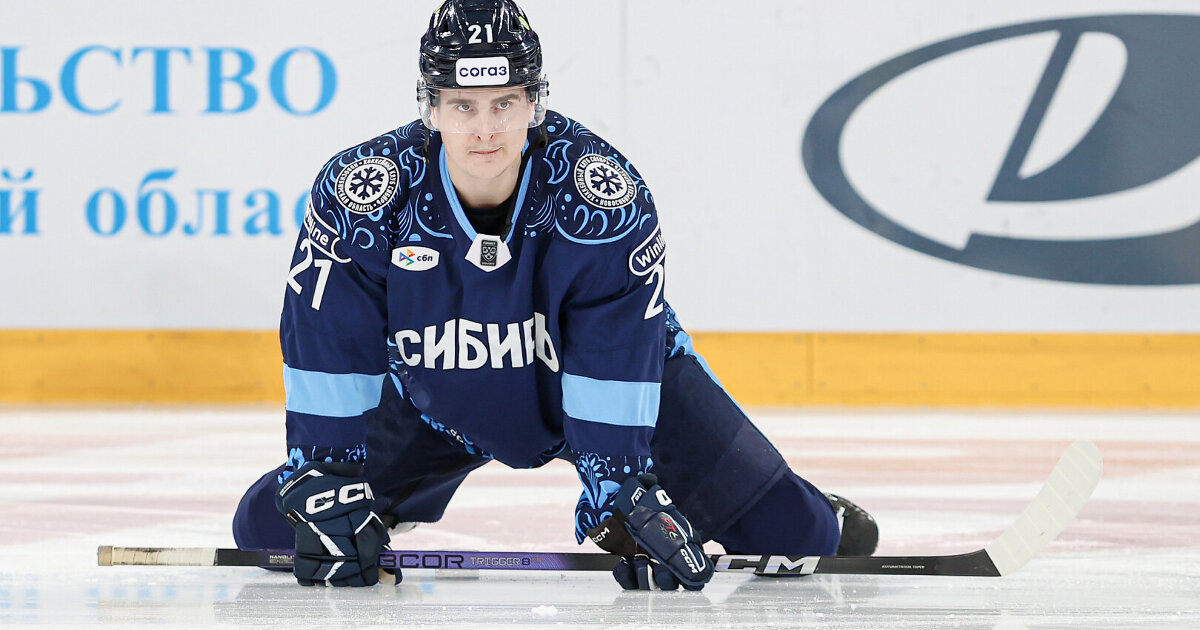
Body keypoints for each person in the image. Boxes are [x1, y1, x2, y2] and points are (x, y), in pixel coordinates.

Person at [232, 0, 877, 590]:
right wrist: (325, 478)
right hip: (433, 399)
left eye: (504, 103)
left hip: (590, 389)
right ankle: (379, 508)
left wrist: (620, 485)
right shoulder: (363, 194)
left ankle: (816, 511)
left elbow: (617, 348)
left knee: (800, 539)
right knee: (265, 531)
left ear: (534, 103)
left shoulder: (600, 195)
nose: (485, 129)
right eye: (463, 105)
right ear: (430, 106)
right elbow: (330, 339)